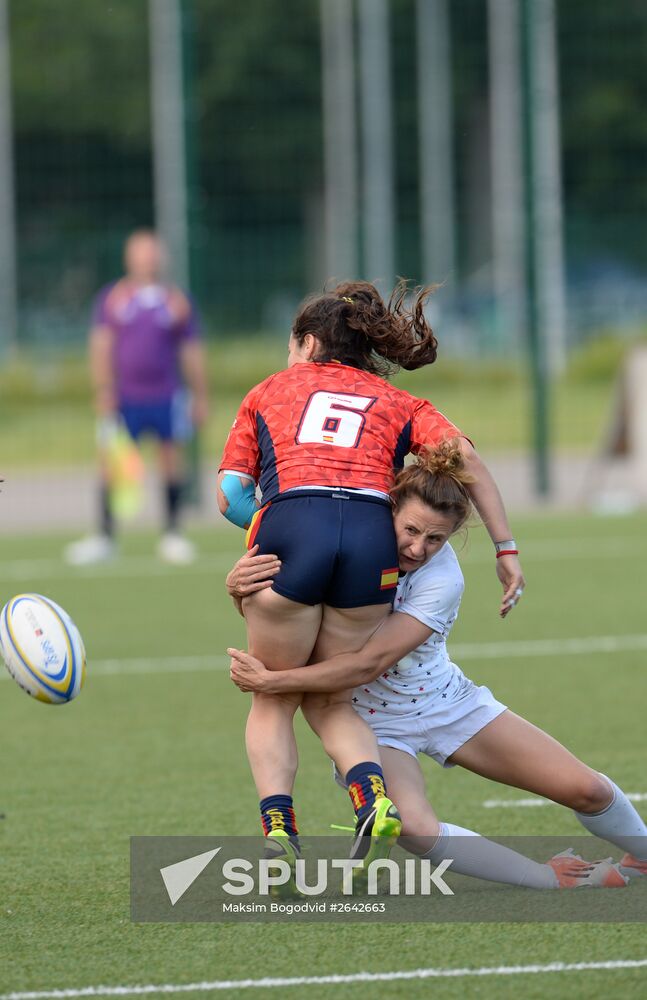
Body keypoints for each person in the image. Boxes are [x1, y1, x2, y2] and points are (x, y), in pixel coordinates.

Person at [228, 441, 647, 890]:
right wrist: (239, 589)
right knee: (411, 826)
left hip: (447, 703)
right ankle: (547, 879)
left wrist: (275, 681)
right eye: (409, 530)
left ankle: (642, 852)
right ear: (387, 509)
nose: (417, 548)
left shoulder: (443, 579)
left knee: (588, 790)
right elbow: (289, 618)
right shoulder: (335, 547)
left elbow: (367, 663)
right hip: (374, 726)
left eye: (435, 539)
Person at [217, 280, 525, 881]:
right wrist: (505, 548)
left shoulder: (268, 391)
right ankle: (371, 796)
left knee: (272, 694)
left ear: (306, 342)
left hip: (293, 528)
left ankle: (279, 826)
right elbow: (468, 461)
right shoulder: (396, 400)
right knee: (333, 699)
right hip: (369, 539)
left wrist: (266, 532)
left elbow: (230, 494)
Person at [65, 229, 209, 566]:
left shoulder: (176, 301)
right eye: (140, 252)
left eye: (152, 252)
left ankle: (173, 534)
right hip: (123, 397)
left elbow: (192, 352)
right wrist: (103, 389)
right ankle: (104, 536)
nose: (147, 259)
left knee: (170, 460)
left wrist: (200, 395)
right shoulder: (114, 298)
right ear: (129, 258)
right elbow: (101, 346)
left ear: (161, 258)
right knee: (110, 463)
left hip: (166, 395)